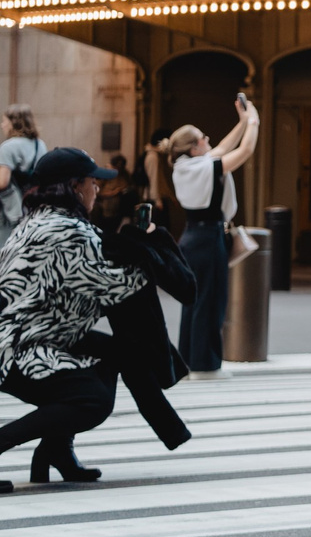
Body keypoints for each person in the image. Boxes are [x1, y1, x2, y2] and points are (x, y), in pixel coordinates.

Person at [0, 148, 160, 486]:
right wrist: (150, 250)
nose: (97, 188)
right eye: (92, 182)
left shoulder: (34, 220)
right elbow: (114, 288)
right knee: (91, 400)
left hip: (25, 336)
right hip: (18, 349)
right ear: (74, 187)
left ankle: (57, 450)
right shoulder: (70, 231)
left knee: (112, 352)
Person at [158, 95, 259, 376]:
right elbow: (245, 151)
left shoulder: (186, 167)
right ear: (194, 147)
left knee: (194, 302)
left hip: (192, 237)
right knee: (211, 302)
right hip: (209, 238)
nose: (209, 140)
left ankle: (190, 360)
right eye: (203, 138)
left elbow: (224, 148)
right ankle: (206, 364)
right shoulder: (203, 167)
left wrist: (242, 121)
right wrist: (254, 121)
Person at [0, 105, 46, 250]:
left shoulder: (8, 147)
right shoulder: (40, 145)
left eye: (4, 121)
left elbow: (3, 182)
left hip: (10, 211)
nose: (2, 125)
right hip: (32, 208)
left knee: (6, 250)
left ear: (14, 123)